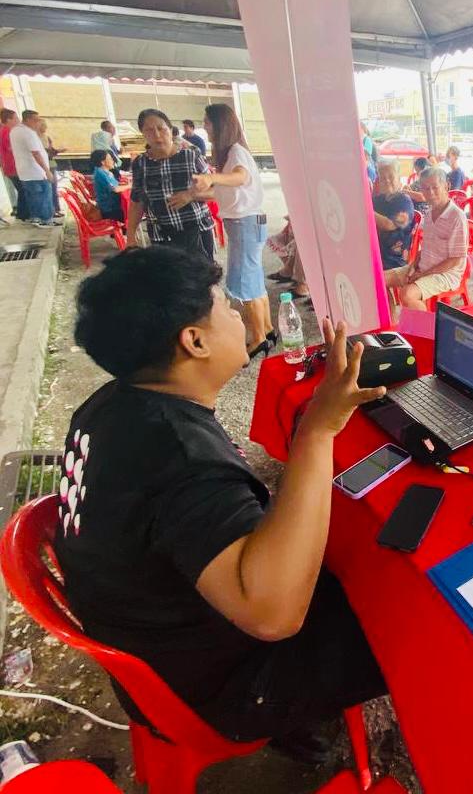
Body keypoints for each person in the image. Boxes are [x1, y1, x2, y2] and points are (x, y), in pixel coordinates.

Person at [55, 246, 387, 760]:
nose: (237, 313)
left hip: (158, 643)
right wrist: (319, 428)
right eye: (224, 306)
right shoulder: (178, 456)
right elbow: (274, 617)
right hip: (213, 688)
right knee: (394, 616)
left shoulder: (113, 404)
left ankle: (296, 719)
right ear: (195, 341)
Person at [191, 103, 275, 359]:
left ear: (220, 124)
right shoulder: (232, 153)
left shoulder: (236, 153)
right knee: (255, 280)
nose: (204, 126)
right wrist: (195, 194)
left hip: (245, 224)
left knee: (246, 282)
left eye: (207, 121)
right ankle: (268, 330)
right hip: (247, 223)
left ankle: (259, 338)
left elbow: (240, 178)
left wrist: (212, 178)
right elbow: (229, 190)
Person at [127, 108, 215, 258]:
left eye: (161, 128)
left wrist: (190, 195)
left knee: (201, 279)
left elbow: (215, 191)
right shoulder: (140, 164)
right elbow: (137, 203)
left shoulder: (191, 155)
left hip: (197, 231)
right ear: (143, 134)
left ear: (171, 130)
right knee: (169, 280)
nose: (157, 135)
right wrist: (130, 236)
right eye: (149, 130)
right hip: (162, 236)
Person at [383, 166, 467, 311]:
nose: (431, 193)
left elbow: (456, 259)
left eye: (435, 187)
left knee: (407, 295)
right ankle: (391, 324)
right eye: (426, 189)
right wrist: (412, 267)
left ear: (446, 185)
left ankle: (426, 333)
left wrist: (422, 274)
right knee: (379, 280)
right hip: (423, 267)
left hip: (446, 274)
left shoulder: (456, 216)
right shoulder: (429, 213)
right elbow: (425, 249)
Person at [10, 110, 59, 227]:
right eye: (36, 120)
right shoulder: (28, 133)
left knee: (33, 197)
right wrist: (47, 171)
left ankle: (35, 218)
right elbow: (36, 153)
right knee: (43, 195)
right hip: (36, 171)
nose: (38, 123)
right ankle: (46, 220)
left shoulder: (15, 131)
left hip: (25, 172)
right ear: (28, 120)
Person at [371, 158, 416, 271]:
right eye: (383, 178)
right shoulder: (379, 199)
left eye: (391, 177)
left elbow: (389, 224)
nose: (387, 181)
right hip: (375, 252)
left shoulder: (404, 201)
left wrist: (366, 210)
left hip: (393, 260)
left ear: (399, 179)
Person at [90, 150, 129, 222]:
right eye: (110, 159)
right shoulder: (101, 174)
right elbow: (116, 189)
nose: (113, 161)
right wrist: (131, 185)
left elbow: (115, 184)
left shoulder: (104, 171)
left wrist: (124, 184)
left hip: (110, 205)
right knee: (133, 210)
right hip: (109, 209)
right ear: (103, 162)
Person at [38, 119, 64, 218]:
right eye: (43, 125)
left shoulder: (47, 138)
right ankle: (51, 210)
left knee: (54, 187)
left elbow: (52, 151)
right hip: (43, 165)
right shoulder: (36, 138)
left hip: (51, 164)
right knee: (49, 189)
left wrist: (58, 150)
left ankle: (56, 209)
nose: (45, 127)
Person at [1, 108, 20, 223]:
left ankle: (18, 210)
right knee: (23, 190)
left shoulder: (4, 131)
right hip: (13, 165)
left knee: (19, 189)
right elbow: (10, 148)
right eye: (15, 118)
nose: (18, 120)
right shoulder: (7, 132)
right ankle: (21, 212)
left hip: (8, 165)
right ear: (8, 120)